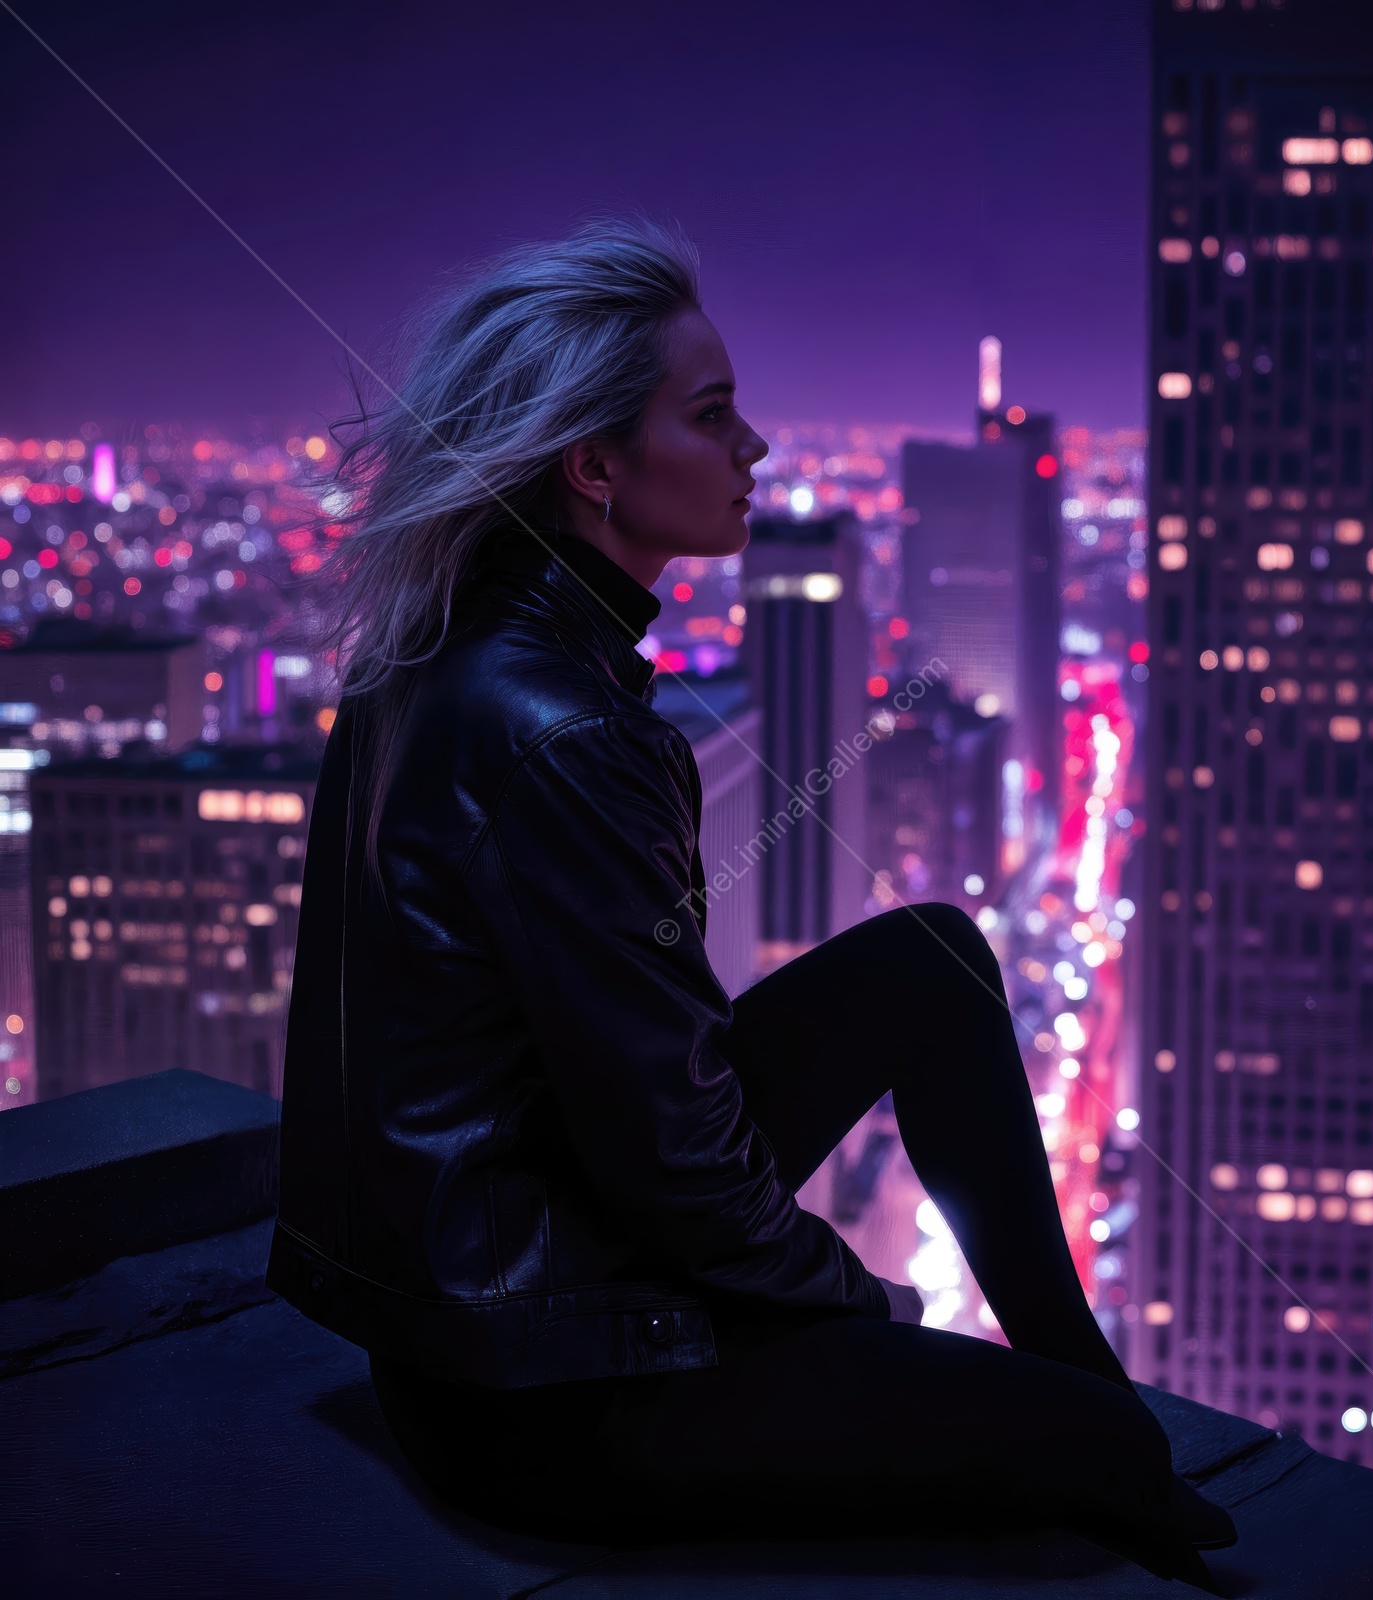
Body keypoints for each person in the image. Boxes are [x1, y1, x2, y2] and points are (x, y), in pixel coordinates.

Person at [266, 220, 1235, 1579]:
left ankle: (1088, 1376)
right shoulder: (561, 728)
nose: (756, 449)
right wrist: (865, 1307)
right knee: (1084, 1456)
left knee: (935, 962)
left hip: (481, 1305)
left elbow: (641, 1100)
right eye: (713, 417)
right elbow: (678, 1159)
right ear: (595, 466)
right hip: (544, 1393)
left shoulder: (449, 649)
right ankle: (1098, 1407)